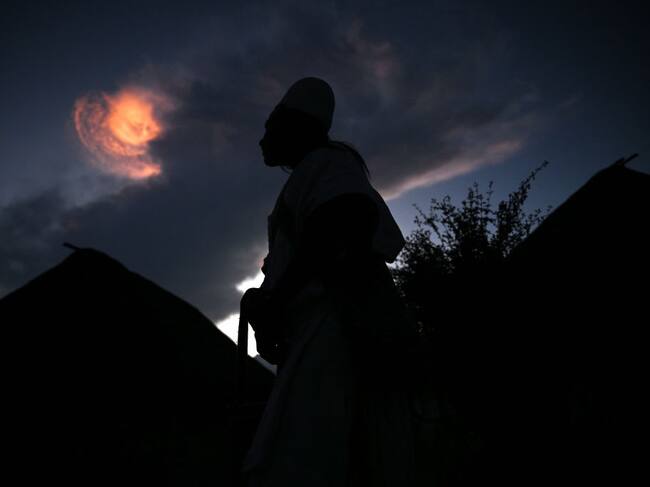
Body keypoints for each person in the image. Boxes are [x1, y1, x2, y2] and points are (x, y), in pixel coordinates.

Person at [240, 77, 419, 487]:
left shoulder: (327, 165)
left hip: (334, 334)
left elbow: (346, 219)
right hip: (315, 335)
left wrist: (276, 301)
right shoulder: (312, 174)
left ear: (297, 125)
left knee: (312, 460)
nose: (263, 138)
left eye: (271, 126)